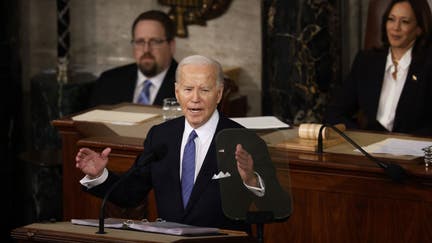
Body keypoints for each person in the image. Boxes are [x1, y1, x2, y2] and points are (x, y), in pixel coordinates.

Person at [75, 55, 282, 231]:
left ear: (219, 93)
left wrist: (251, 180)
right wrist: (99, 175)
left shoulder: (244, 141)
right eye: (188, 89)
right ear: (176, 92)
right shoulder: (161, 136)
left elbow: (278, 208)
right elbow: (130, 193)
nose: (195, 98)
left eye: (205, 90)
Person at [324, 0, 432, 136]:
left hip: (415, 151)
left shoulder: (427, 66)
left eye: (404, 22)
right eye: (391, 19)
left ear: (419, 29)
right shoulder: (366, 62)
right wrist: (363, 138)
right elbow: (335, 112)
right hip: (369, 149)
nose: (395, 27)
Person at [89, 10, 177, 107]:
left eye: (154, 42)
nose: (146, 49)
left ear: (171, 46)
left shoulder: (189, 86)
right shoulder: (108, 81)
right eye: (139, 42)